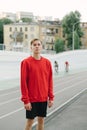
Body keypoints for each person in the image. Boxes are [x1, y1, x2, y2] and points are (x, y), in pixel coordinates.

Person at [20, 38, 54, 130]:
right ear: (31, 47)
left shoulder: (47, 63)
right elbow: (23, 83)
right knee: (30, 122)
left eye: (39, 44)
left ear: (41, 47)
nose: (37, 46)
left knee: (41, 121)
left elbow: (50, 81)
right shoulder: (26, 62)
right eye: (34, 45)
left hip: (43, 98)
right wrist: (26, 100)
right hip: (31, 99)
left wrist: (51, 97)